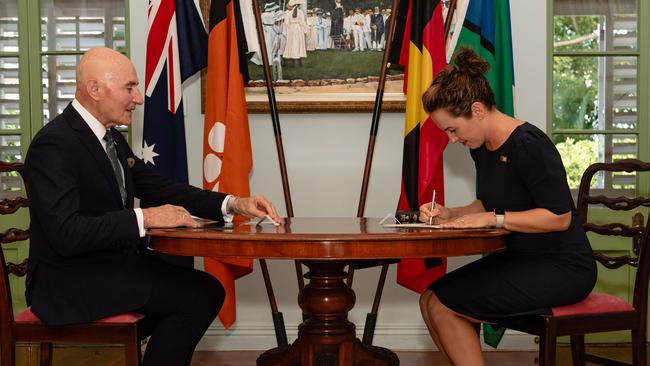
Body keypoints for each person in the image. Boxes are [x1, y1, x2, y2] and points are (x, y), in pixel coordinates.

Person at [24, 47, 280, 366]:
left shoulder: (111, 139)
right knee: (197, 296)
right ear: (94, 89)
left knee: (206, 290)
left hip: (110, 267)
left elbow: (161, 187)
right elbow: (66, 233)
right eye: (129, 87)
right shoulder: (54, 145)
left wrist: (233, 203)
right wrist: (144, 217)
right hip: (69, 283)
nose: (139, 97)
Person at [417, 47, 597, 365]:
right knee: (429, 298)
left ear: (477, 109)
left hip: (565, 268)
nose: (452, 139)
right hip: (524, 260)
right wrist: (452, 213)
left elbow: (558, 217)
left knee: (445, 304)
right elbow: (492, 201)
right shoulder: (482, 148)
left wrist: (493, 218)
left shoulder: (530, 145)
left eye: (452, 129)